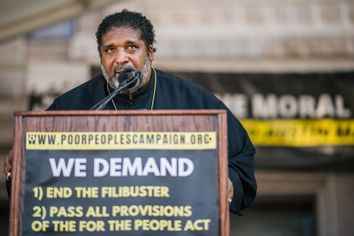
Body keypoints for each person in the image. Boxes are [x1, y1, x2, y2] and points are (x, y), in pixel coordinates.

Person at [3, 9, 256, 215]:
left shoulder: (195, 100)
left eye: (131, 47)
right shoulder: (70, 106)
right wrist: (21, 166)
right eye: (110, 49)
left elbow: (241, 155)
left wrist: (230, 184)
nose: (120, 58)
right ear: (101, 57)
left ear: (150, 53)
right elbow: (34, 179)